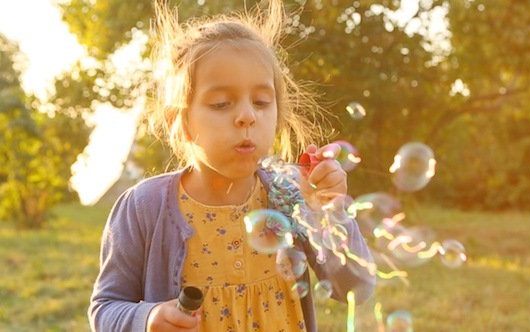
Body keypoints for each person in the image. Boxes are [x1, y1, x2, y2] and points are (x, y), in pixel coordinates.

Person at [88, 0, 376, 331]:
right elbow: (106, 308)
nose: (247, 116)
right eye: (221, 103)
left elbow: (355, 287)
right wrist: (147, 318)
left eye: (262, 102)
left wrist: (329, 213)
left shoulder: (290, 196)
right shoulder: (144, 207)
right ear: (178, 120)